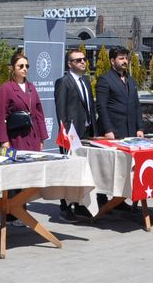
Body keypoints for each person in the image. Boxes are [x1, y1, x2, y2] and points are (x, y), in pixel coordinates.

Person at [54, 47, 95, 221]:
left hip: (86, 131)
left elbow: (89, 107)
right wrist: (66, 132)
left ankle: (79, 205)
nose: (83, 62)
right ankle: (65, 207)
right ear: (70, 64)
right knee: (68, 171)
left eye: (84, 59)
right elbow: (61, 110)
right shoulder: (64, 82)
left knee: (83, 170)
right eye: (78, 60)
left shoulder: (85, 81)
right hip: (71, 134)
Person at [0, 53, 49, 150]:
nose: (24, 68)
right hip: (15, 137)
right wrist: (3, 140)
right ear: (13, 68)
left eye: (27, 66)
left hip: (33, 135)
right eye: (21, 66)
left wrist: (41, 138)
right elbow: (0, 116)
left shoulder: (31, 87)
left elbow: (39, 114)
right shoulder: (6, 88)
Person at [96, 46, 145, 139]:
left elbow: (137, 105)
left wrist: (140, 128)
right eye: (121, 58)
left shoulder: (131, 80)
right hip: (113, 131)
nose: (125, 61)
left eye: (126, 58)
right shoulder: (105, 79)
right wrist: (108, 129)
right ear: (112, 61)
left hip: (131, 131)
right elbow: (101, 107)